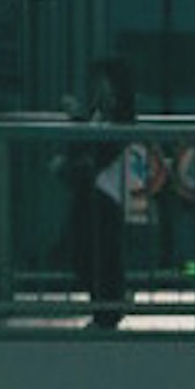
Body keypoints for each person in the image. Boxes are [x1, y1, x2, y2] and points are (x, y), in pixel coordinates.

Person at [64, 57, 142, 328]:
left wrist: (77, 120)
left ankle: (108, 309)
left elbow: (100, 152)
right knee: (87, 253)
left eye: (103, 81)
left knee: (103, 254)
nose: (98, 88)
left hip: (108, 196)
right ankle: (103, 306)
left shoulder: (120, 119)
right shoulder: (100, 115)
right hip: (95, 194)